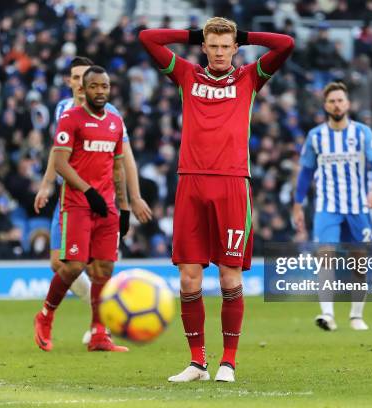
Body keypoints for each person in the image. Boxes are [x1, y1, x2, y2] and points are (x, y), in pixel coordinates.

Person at [140, 17, 294, 383]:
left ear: (236, 48)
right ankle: (197, 363)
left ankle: (228, 362)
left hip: (232, 183)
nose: (221, 52)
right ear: (204, 48)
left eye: (227, 46)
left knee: (229, 277)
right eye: (214, 46)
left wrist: (245, 34)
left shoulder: (249, 78)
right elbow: (148, 38)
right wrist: (193, 35)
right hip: (190, 181)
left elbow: (285, 43)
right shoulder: (187, 76)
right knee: (189, 278)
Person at [33, 56, 152, 344]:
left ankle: (100, 332)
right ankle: (46, 315)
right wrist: (54, 185)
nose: (99, 90)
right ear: (80, 88)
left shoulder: (113, 120)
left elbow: (120, 164)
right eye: (91, 85)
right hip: (75, 200)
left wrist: (126, 205)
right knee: (70, 265)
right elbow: (59, 159)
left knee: (104, 268)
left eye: (104, 86)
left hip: (107, 204)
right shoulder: (67, 114)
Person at [293, 82, 372, 332]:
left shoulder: (363, 133)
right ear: (326, 106)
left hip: (357, 207)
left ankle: (356, 316)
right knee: (325, 256)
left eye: (340, 100)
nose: (336, 104)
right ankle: (327, 315)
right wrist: (298, 204)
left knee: (359, 262)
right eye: (332, 101)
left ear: (348, 104)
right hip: (327, 207)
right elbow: (305, 173)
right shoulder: (316, 136)